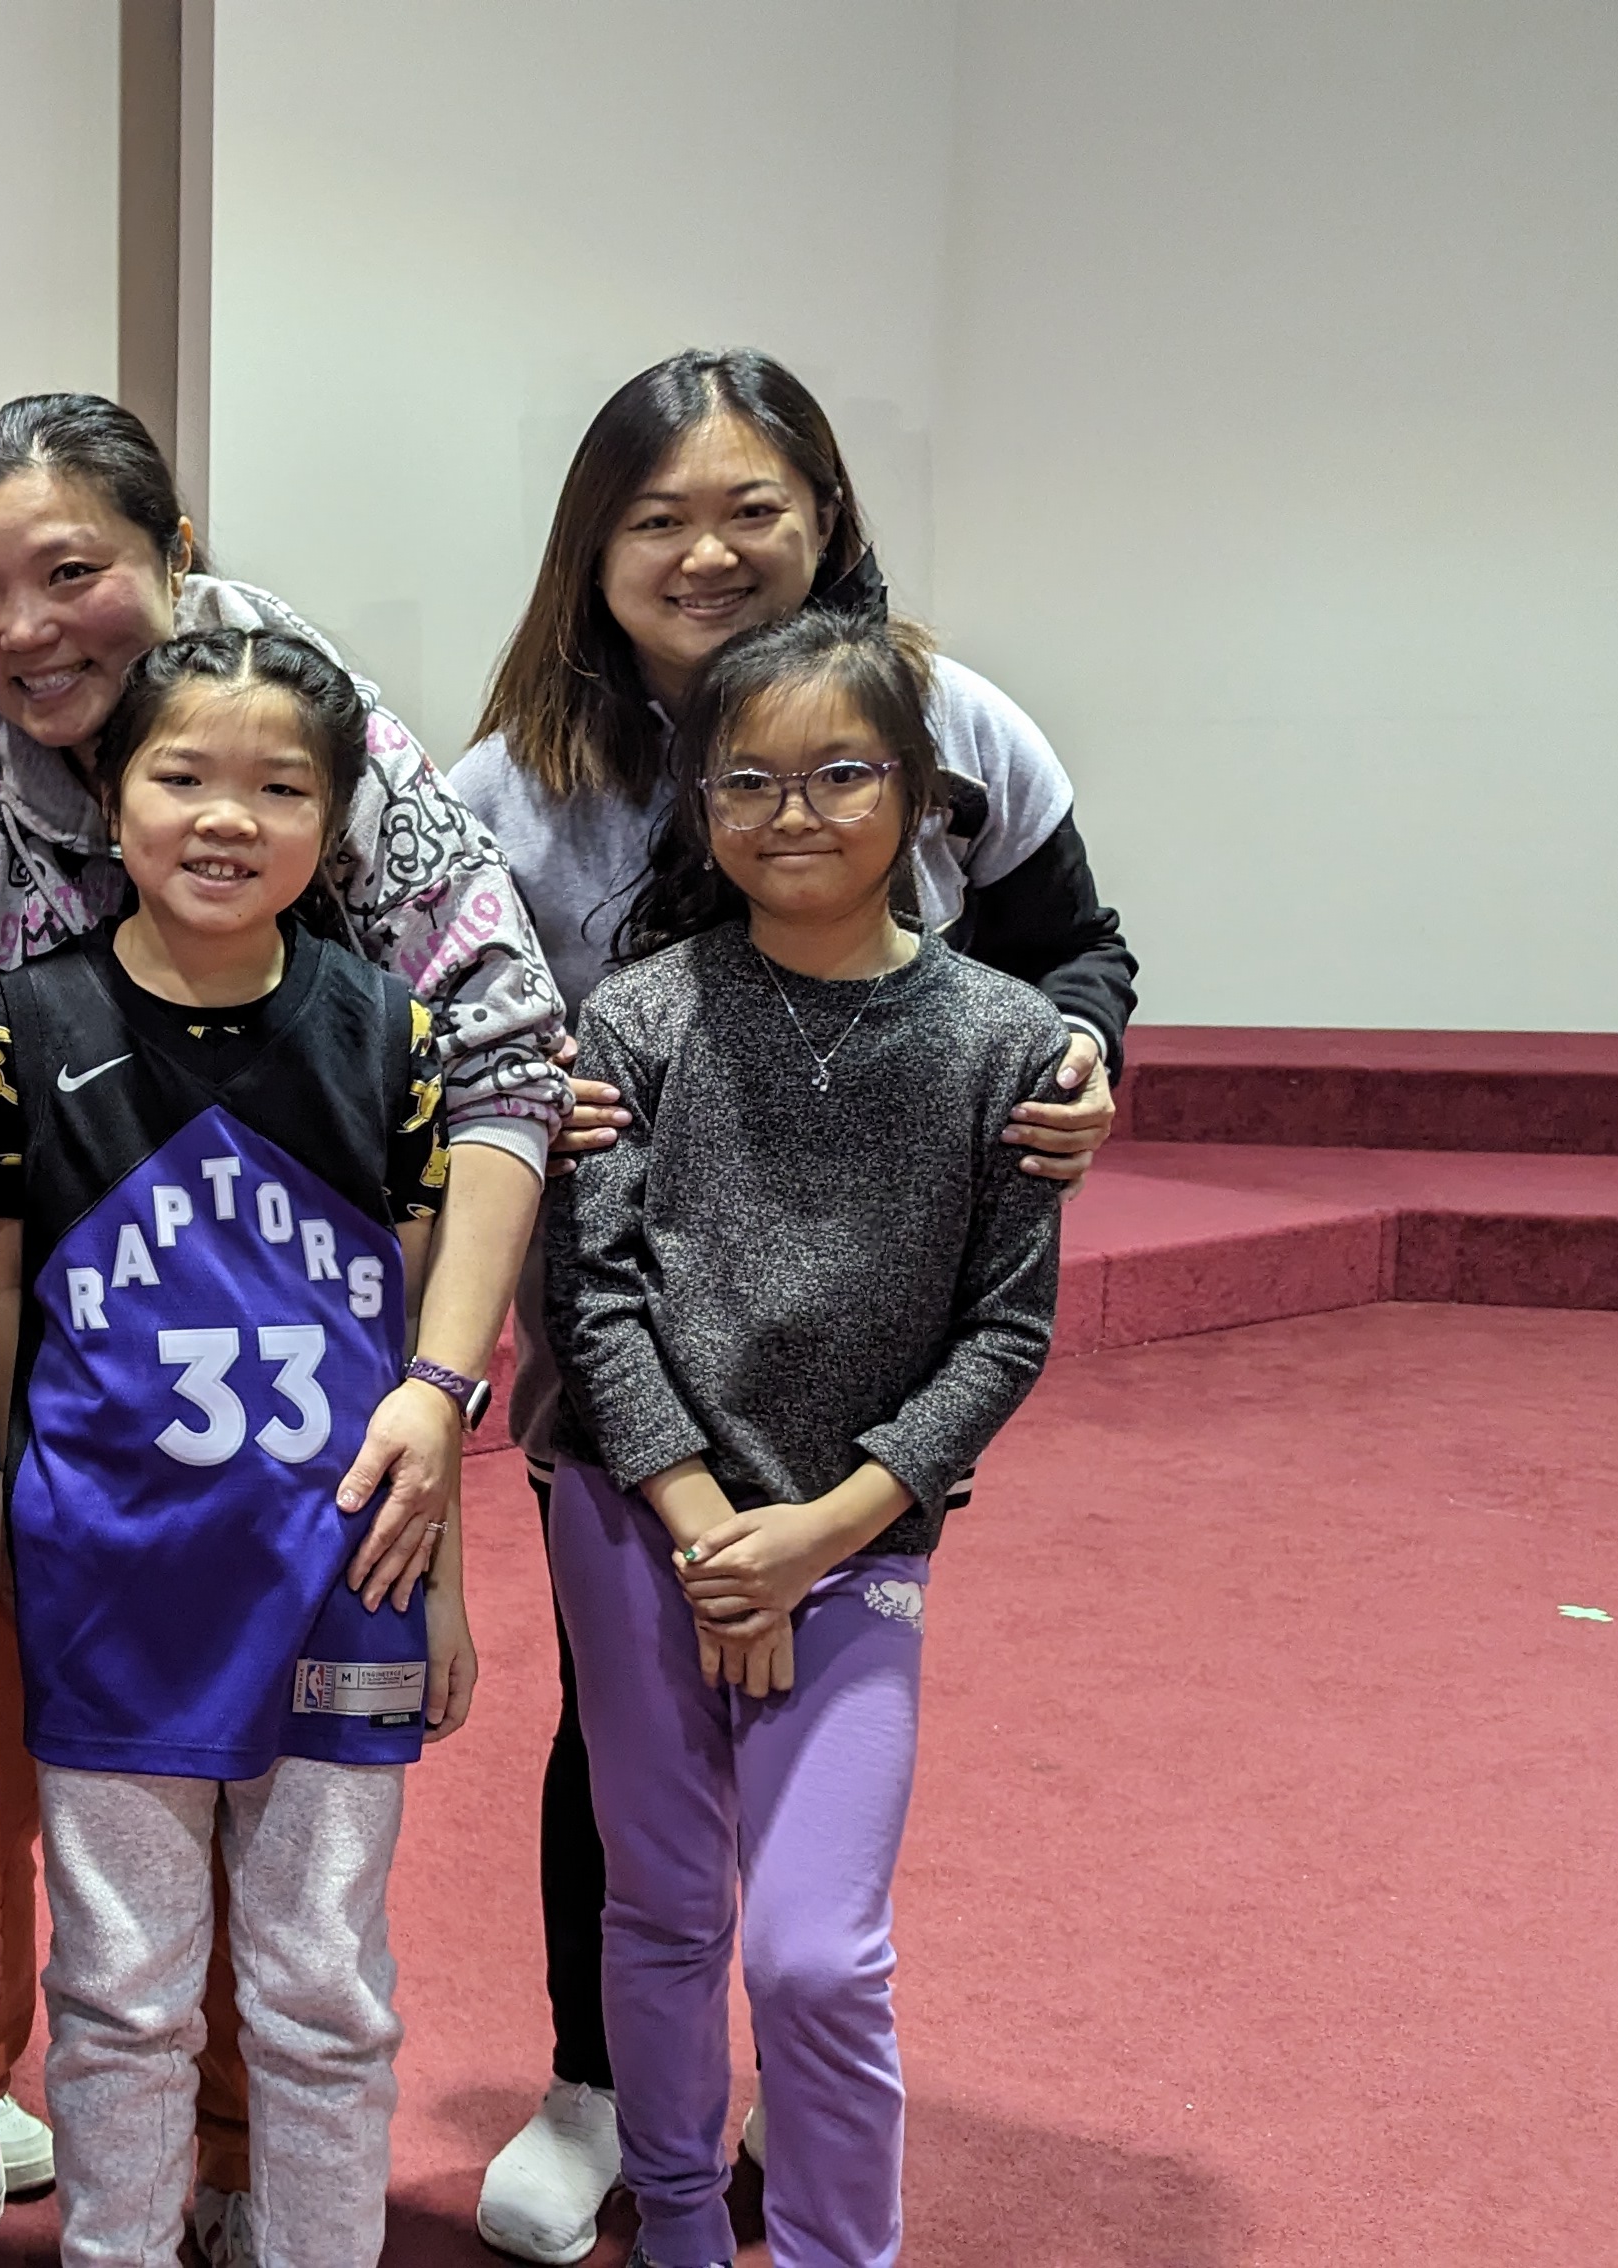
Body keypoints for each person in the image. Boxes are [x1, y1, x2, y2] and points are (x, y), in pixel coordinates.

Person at [0, 394, 561, 2267]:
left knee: (297, 1899)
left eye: (72, 571)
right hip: (47, 1386)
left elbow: (496, 1068)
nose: (26, 628)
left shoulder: (304, 728)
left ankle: (243, 2165)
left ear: (170, 556)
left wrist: (439, 1398)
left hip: (312, 1410)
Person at [444, 349, 1135, 2265]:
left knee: (810, 1872)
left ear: (823, 515)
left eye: (750, 506)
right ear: (590, 548)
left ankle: (781, 2120)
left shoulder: (950, 717)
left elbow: (1074, 950)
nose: (706, 549)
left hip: (855, 1413)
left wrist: (1073, 1056)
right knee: (623, 1761)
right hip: (626, 1386)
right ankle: (605, 2091)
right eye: (655, 516)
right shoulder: (509, 785)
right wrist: (525, 1084)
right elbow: (419, 1020)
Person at [0, 626, 474, 2266]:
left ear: (335, 818)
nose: (226, 817)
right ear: (112, 797)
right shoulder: (26, 1025)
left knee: (323, 1985)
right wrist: (10, 1508)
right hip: (117, 1579)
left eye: (279, 787)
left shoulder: (388, 1033)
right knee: (120, 1988)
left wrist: (443, 1583)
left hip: (340, 1577)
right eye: (182, 774)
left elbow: (412, 1341)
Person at [543, 607, 1068, 2268]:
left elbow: (1005, 1330)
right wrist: (714, 1534)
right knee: (661, 1908)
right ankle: (680, 2228)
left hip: (854, 1541)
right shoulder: (640, 1017)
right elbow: (594, 1300)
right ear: (700, 803)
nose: (793, 813)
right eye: (747, 781)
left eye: (841, 773)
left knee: (815, 1956)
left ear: (916, 791)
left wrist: (815, 1535)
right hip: (644, 1523)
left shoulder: (1005, 1042)